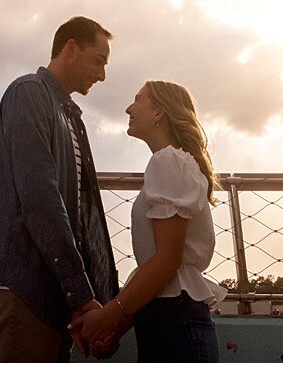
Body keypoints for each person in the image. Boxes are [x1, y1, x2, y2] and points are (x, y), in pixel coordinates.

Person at [0, 17, 120, 362]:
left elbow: (78, 219)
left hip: (54, 300)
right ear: (71, 48)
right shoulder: (29, 93)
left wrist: (81, 300)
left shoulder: (69, 115)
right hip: (22, 292)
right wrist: (83, 297)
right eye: (99, 60)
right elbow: (40, 200)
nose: (102, 75)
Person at [72, 80, 222, 362]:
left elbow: (167, 262)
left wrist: (108, 316)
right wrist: (117, 328)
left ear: (159, 113)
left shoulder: (167, 161)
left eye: (138, 100)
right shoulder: (174, 162)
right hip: (171, 320)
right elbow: (160, 271)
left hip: (174, 325)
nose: (129, 107)